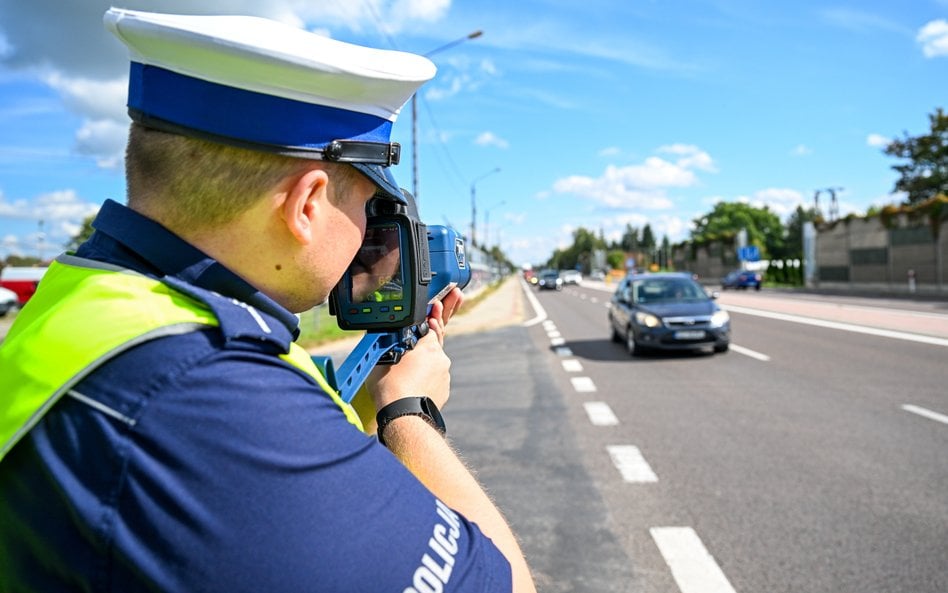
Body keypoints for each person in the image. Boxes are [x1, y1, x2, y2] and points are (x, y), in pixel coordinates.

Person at [0, 9, 536, 593]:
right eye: (366, 207)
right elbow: (503, 585)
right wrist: (409, 410)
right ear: (307, 205)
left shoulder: (90, 298)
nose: (365, 234)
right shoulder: (207, 392)